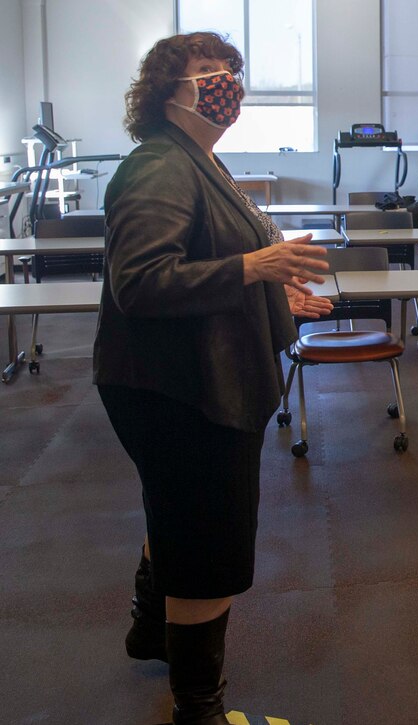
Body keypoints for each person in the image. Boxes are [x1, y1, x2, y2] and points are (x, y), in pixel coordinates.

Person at [94, 32, 333, 724]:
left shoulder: (200, 162)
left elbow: (210, 261)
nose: (227, 82)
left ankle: (151, 629)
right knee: (205, 535)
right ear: (169, 90)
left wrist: (272, 293)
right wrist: (256, 270)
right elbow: (140, 281)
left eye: (231, 71)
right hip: (178, 387)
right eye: (208, 72)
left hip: (190, 376)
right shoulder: (158, 166)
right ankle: (199, 707)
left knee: (176, 509)